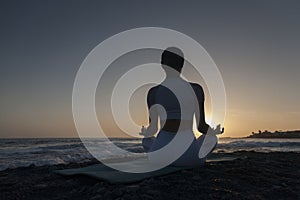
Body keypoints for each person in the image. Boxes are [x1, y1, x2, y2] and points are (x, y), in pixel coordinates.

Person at [140, 47, 224, 167]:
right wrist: (214, 131)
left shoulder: (153, 92)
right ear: (181, 65)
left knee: (146, 140)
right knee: (212, 138)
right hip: (189, 159)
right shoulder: (196, 89)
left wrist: (145, 132)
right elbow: (201, 127)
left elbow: (152, 129)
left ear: (162, 64)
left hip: (159, 159)